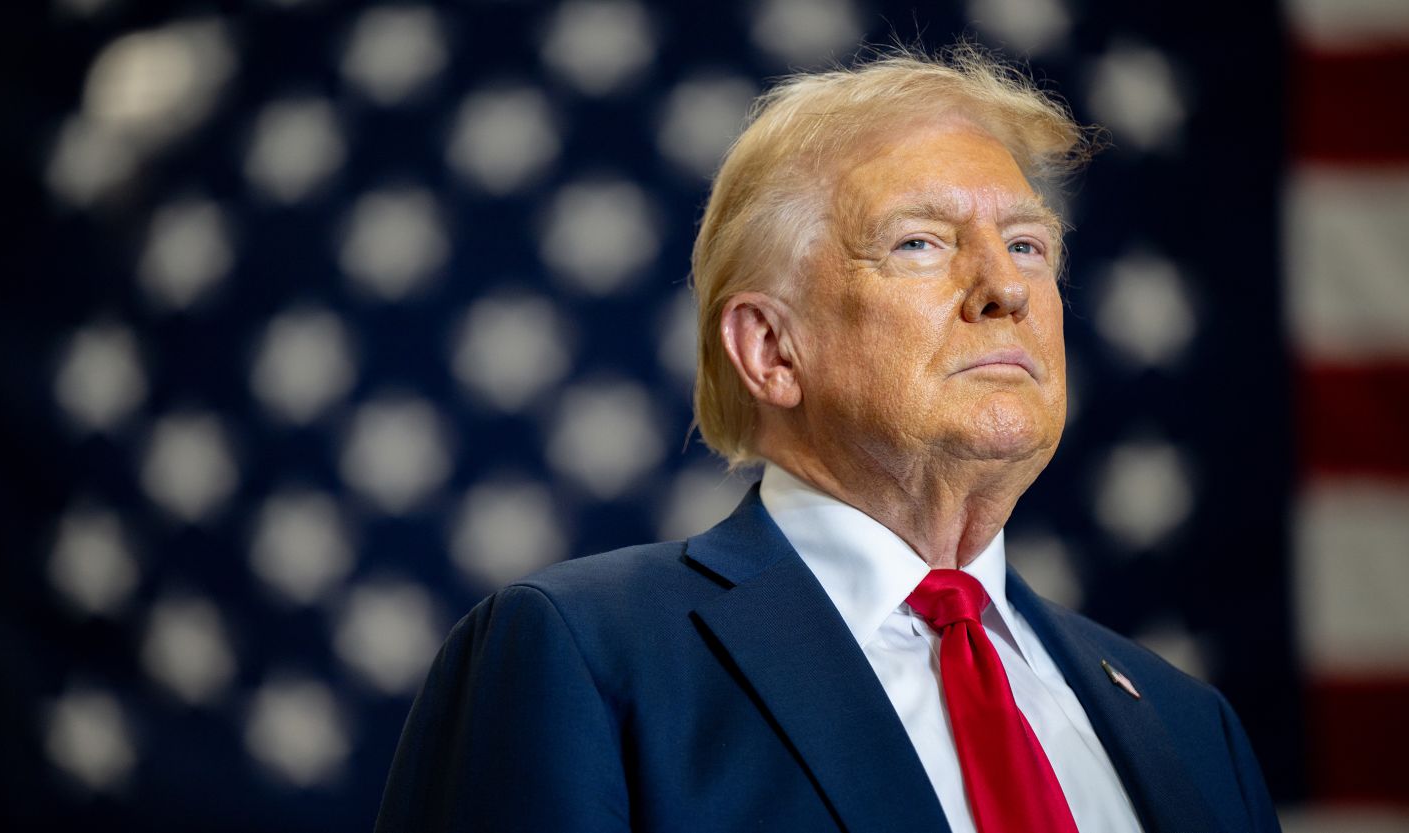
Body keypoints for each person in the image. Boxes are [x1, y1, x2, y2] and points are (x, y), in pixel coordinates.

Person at [375, 46, 1280, 833]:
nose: (1005, 288)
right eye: (921, 243)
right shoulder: (582, 656)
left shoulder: (1191, 727)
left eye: (1028, 246)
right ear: (770, 349)